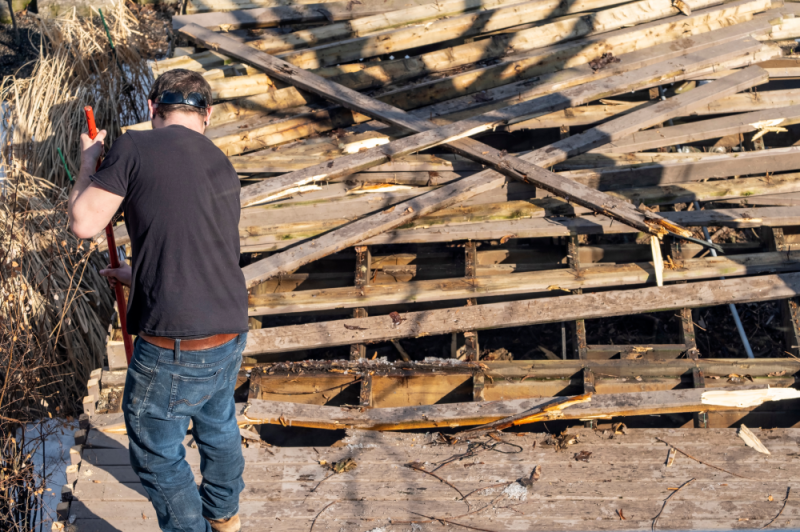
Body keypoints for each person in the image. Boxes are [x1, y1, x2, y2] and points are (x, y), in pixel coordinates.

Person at [68, 69, 248, 532]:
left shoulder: (133, 145)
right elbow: (198, 242)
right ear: (206, 115)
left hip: (173, 342)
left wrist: (88, 164)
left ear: (152, 109)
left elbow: (85, 223)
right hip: (229, 327)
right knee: (218, 422)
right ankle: (226, 515)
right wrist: (141, 273)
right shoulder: (222, 163)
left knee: (156, 453)